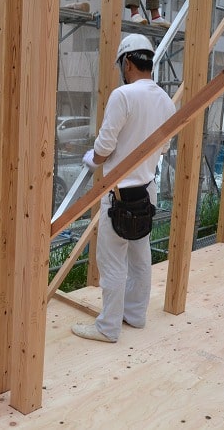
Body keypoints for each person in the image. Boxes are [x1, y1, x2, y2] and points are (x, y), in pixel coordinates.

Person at [72, 34, 175, 343]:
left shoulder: (123, 96)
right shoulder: (166, 102)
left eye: (121, 65)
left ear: (127, 63)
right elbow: (164, 147)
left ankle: (107, 328)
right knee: (141, 258)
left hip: (119, 196)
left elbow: (104, 148)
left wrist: (93, 158)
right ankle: (135, 315)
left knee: (112, 262)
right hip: (146, 192)